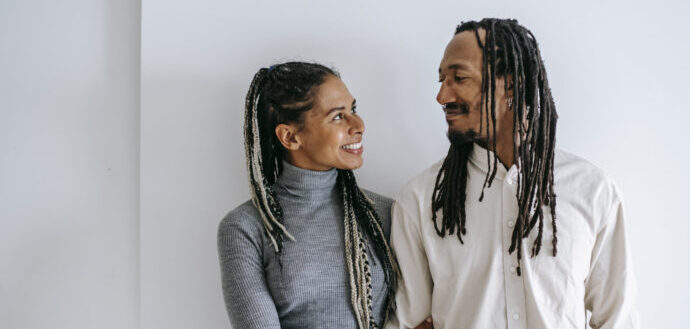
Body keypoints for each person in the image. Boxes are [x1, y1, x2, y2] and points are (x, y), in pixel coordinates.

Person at [385, 19, 640, 329]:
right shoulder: (420, 199)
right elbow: (408, 323)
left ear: (512, 85)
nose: (442, 96)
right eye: (441, 79)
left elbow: (618, 318)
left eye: (459, 78)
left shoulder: (592, 190)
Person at [217, 62, 431, 329]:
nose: (359, 124)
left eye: (353, 109)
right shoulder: (245, 227)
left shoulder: (386, 214)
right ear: (290, 137)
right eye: (338, 116)